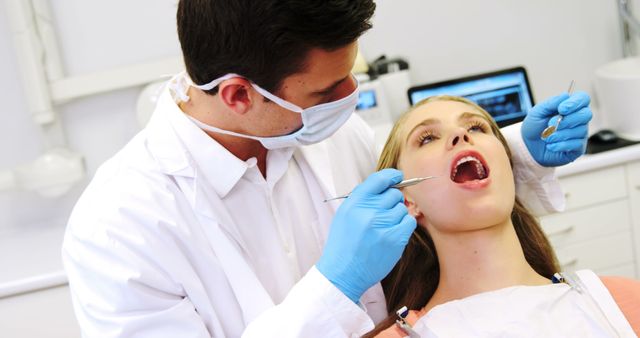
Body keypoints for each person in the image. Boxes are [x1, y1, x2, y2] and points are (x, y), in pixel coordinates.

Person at [61, 1, 593, 337]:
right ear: (239, 94)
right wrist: (335, 287)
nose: (351, 97)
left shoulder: (325, 128)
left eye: (351, 74)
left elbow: (428, 186)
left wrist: (518, 148)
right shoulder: (118, 228)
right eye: (326, 90)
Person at [364, 95, 639, 338]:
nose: (460, 135)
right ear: (407, 200)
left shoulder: (622, 302)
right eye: (427, 138)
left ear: (511, 165)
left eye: (476, 127)